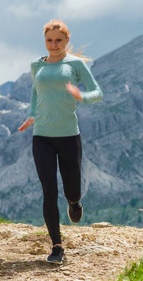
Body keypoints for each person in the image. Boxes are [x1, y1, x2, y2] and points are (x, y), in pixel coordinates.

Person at [18, 19, 103, 264]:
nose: (53, 45)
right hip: (42, 137)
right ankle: (57, 245)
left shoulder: (75, 64)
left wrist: (81, 96)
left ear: (67, 41)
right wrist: (32, 115)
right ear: (44, 41)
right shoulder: (37, 65)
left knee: (71, 188)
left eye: (58, 40)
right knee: (49, 191)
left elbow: (97, 91)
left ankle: (74, 203)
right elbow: (36, 92)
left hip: (68, 136)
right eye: (49, 40)